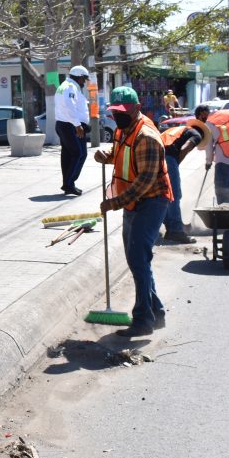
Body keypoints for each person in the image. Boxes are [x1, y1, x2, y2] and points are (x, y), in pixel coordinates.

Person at [93, 87, 173, 338]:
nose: (117, 116)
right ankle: (156, 312)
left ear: (137, 109)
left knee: (138, 259)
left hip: (151, 201)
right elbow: (121, 154)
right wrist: (105, 155)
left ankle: (143, 320)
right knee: (137, 260)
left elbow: (145, 182)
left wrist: (114, 202)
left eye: (122, 112)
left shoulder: (146, 136)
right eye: (114, 112)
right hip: (132, 202)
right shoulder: (123, 129)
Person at [159, 115, 211, 243]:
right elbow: (185, 148)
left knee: (163, 194)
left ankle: (170, 227)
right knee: (174, 194)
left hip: (154, 155)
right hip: (168, 157)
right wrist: (176, 163)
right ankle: (176, 231)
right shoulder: (196, 135)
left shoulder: (178, 129)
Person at [55, 65, 91, 196]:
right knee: (78, 154)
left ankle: (68, 183)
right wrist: (77, 125)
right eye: (84, 79)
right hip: (70, 126)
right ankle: (69, 184)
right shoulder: (70, 87)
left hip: (66, 124)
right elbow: (69, 106)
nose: (84, 82)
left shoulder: (65, 86)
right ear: (79, 77)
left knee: (68, 155)